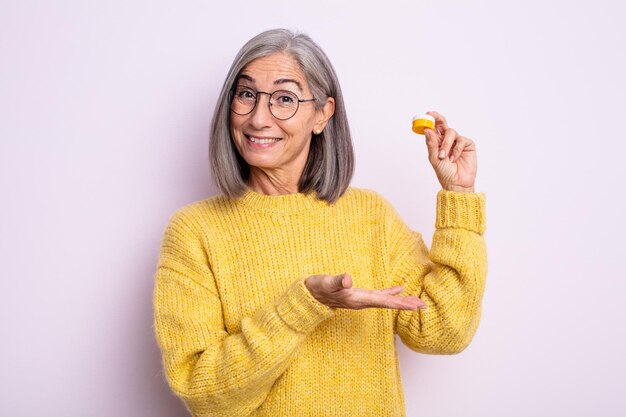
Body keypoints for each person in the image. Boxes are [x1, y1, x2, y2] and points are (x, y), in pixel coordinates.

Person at [153, 28, 487, 417]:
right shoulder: (195, 231)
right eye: (246, 95)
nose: (259, 118)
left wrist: (459, 196)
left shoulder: (370, 216)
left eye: (284, 99)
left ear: (322, 114)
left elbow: (445, 330)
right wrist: (304, 305)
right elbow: (204, 394)